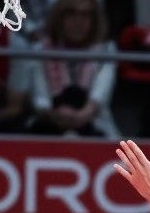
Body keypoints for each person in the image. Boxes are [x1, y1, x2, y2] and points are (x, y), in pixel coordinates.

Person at [29, 0, 120, 138]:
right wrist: (56, 116)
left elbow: (99, 97)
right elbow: (40, 100)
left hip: (95, 124)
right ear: (59, 17)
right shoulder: (40, 50)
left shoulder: (107, 50)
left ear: (94, 20)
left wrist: (80, 116)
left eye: (85, 15)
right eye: (71, 14)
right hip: (49, 124)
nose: (78, 22)